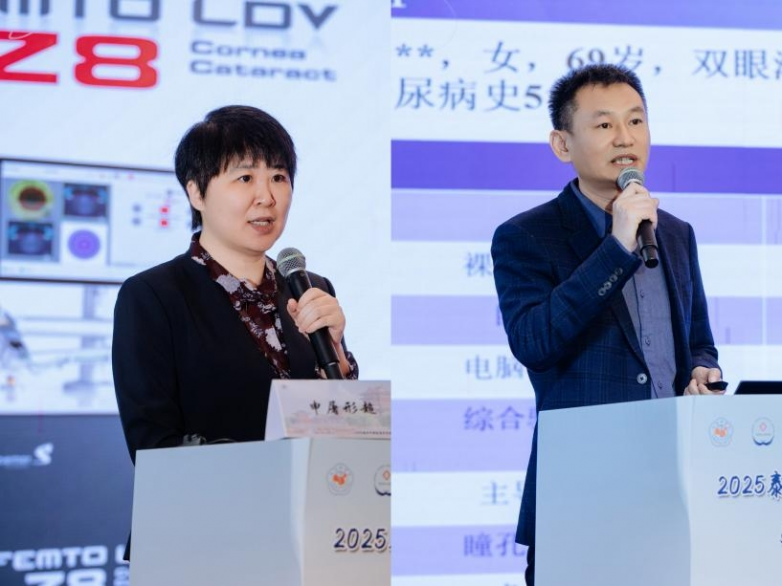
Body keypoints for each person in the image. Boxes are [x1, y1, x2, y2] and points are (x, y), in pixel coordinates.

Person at [491, 64, 723, 585]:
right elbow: (534, 341)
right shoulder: (527, 236)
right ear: (562, 144)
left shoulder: (675, 233)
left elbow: (699, 341)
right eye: (603, 125)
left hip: (672, 489)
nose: (625, 138)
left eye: (636, 121)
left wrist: (701, 372)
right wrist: (617, 245)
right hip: (579, 494)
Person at [112, 105, 358, 556]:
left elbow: (345, 427)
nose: (266, 196)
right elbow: (153, 445)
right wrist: (267, 472)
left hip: (311, 538)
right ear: (196, 192)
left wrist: (338, 358)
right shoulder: (153, 295)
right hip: (199, 540)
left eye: (279, 177)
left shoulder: (311, 288)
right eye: (245, 178)